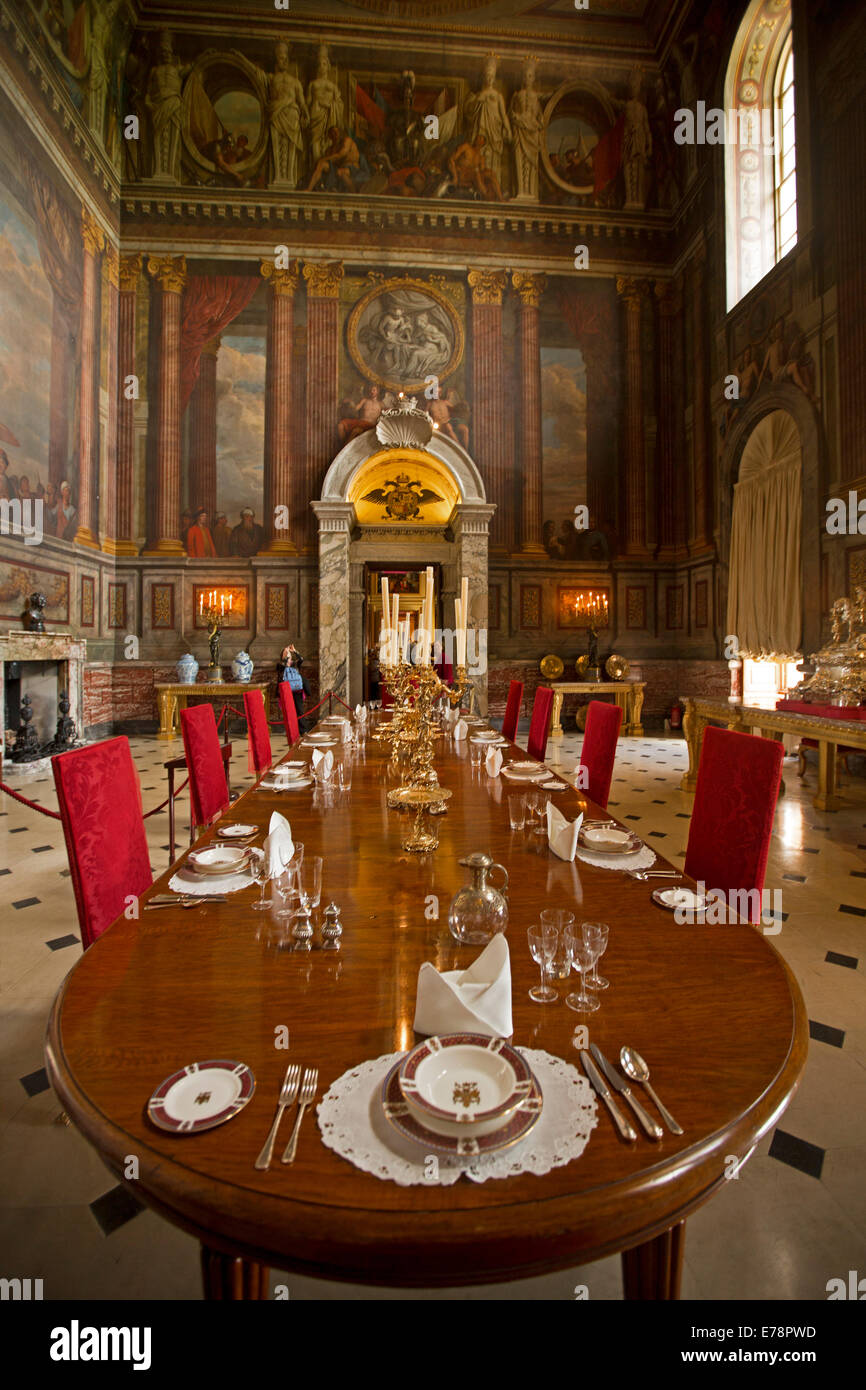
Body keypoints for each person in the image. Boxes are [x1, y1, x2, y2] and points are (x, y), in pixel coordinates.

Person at [277, 643, 309, 728]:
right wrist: (286, 656)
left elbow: (301, 659)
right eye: (285, 652)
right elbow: (282, 666)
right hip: (287, 691)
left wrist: (294, 651)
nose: (288, 653)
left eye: (288, 653)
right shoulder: (280, 666)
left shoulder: (294, 664)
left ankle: (303, 730)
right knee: (290, 712)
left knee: (300, 711)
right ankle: (292, 730)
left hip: (297, 690)